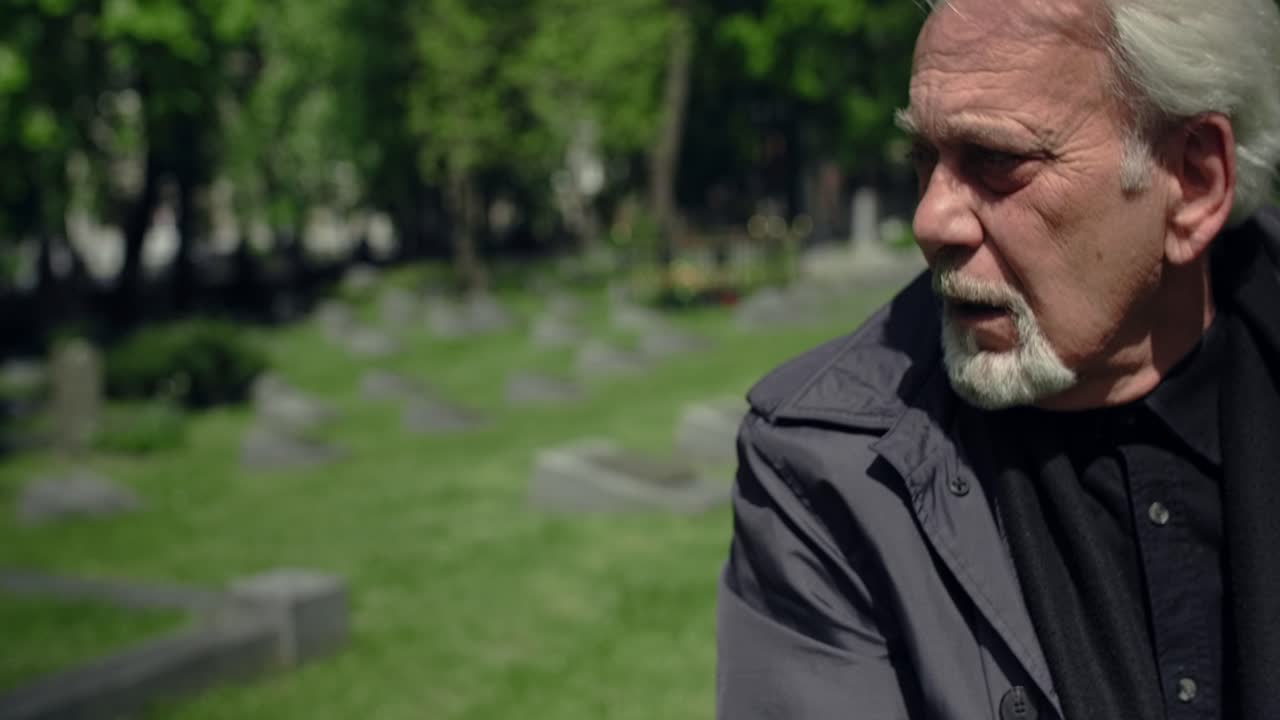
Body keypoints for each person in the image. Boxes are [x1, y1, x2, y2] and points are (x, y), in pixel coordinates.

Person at [715, 0, 1280, 718]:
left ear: (1194, 181)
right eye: (924, 158)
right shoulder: (825, 468)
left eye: (998, 160)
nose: (930, 221)